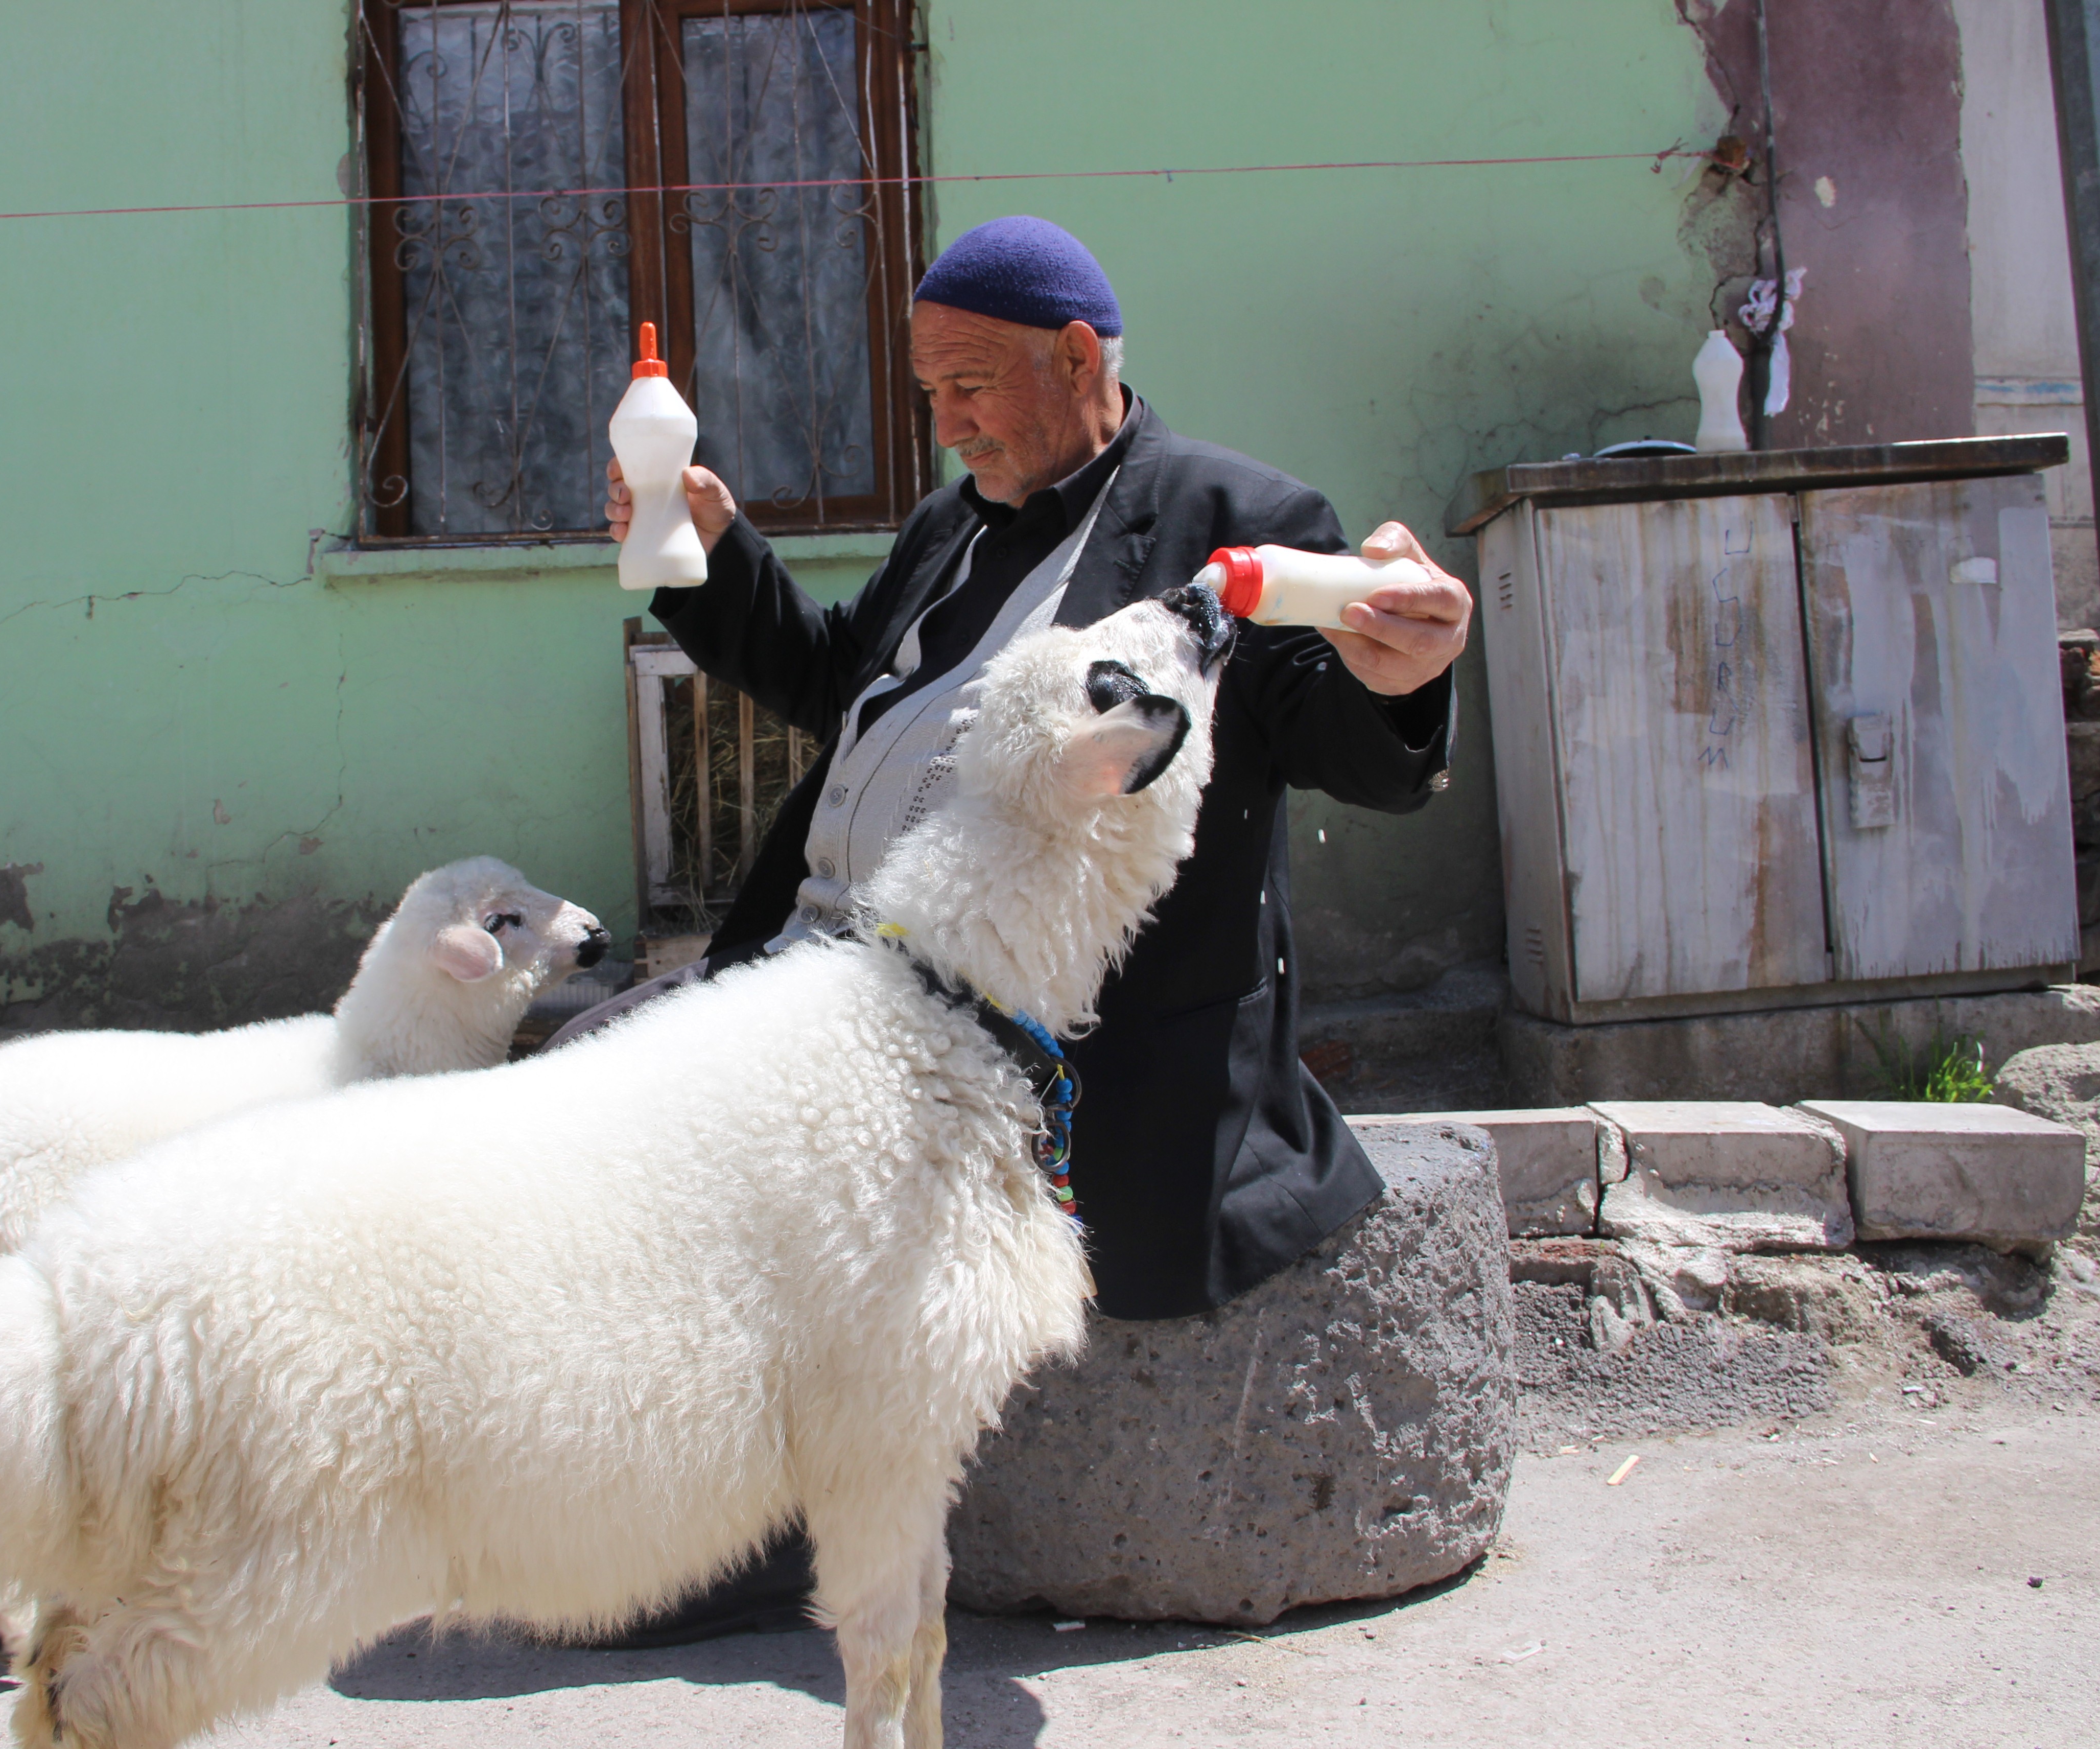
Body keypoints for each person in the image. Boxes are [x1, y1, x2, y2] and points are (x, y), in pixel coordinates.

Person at [565, 215, 1471, 1643]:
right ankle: (582, 1478)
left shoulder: (1238, 519)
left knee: (714, 1155)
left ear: (1076, 357)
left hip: (1021, 1043)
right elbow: (840, 693)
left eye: (971, 387)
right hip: (832, 969)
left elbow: (1345, 736)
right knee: (576, 1066)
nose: (949, 425)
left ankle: (721, 1532)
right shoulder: (956, 529)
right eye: (929, 396)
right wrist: (713, 561)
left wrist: (1404, 676)